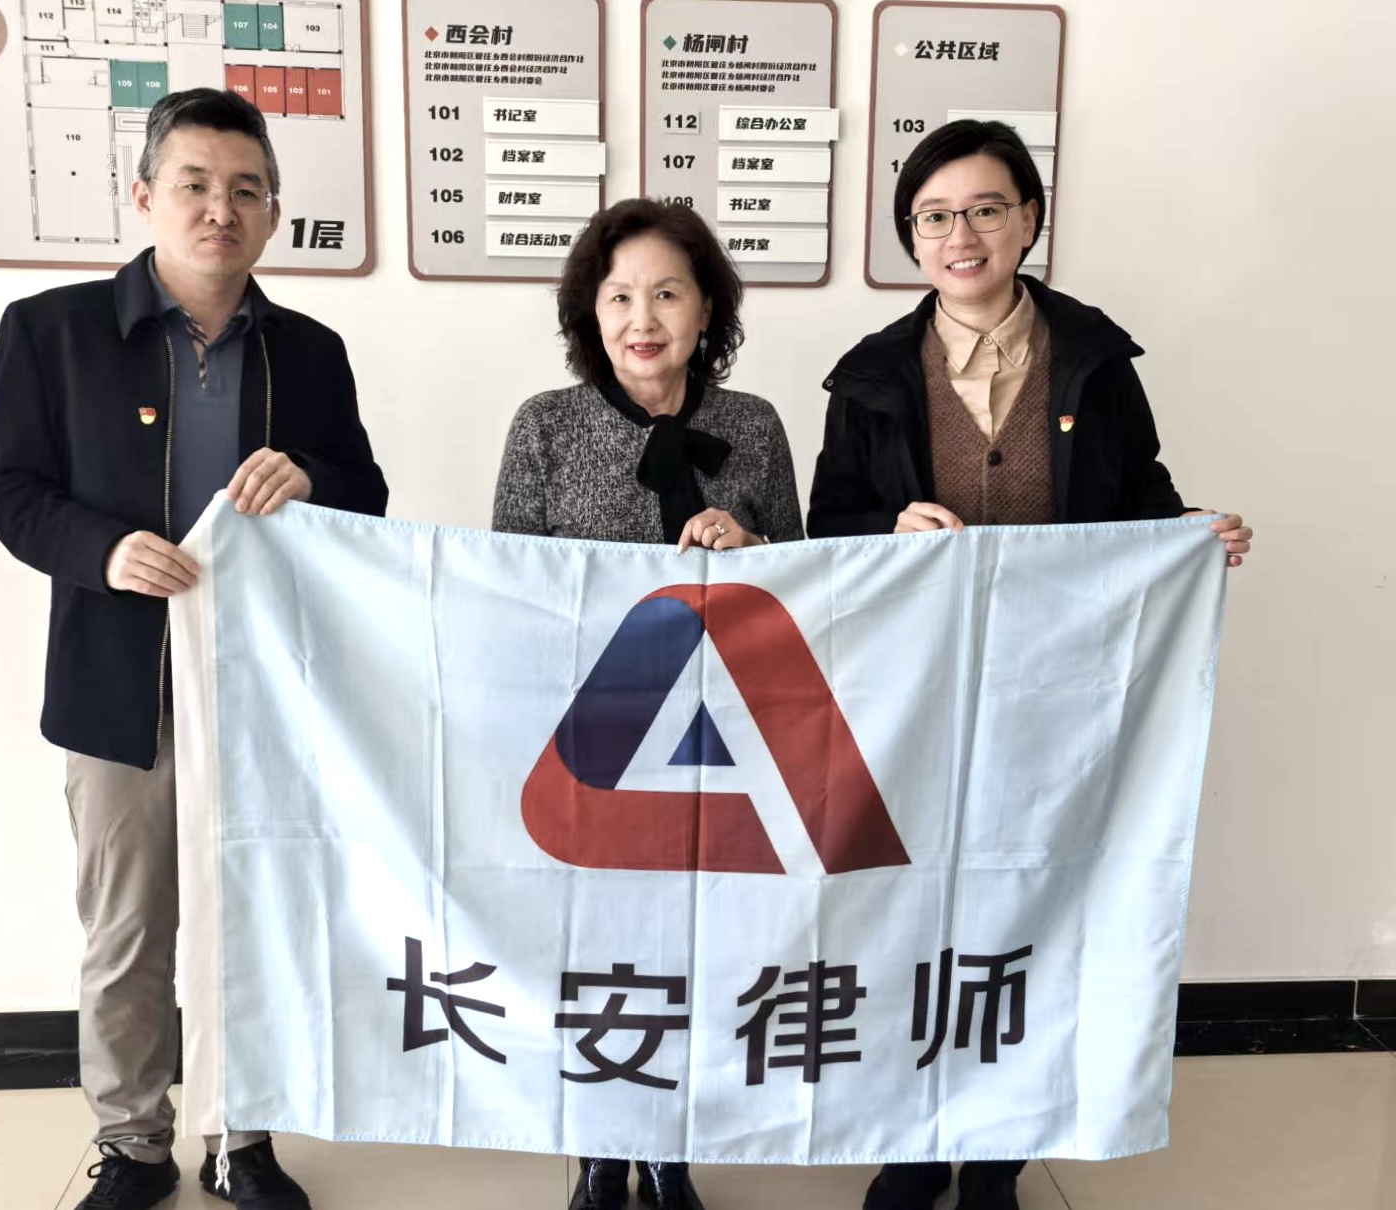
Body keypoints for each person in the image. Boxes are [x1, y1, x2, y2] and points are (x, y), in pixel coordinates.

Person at [807, 120, 1252, 1210]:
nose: (960, 235)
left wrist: (1189, 534)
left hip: (1061, 690)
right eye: (934, 217)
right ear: (911, 238)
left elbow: (1138, 497)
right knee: (913, 915)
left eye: (985, 210)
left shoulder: (1095, 361)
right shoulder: (870, 377)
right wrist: (887, 531)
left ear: (1029, 221)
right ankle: (916, 1144)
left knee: (1033, 908)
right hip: (914, 696)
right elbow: (828, 530)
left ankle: (1001, 1150)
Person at [0, 88, 387, 1210]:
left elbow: (366, 494)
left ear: (274, 213)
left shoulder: (309, 352)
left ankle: (244, 1138)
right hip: (119, 690)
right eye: (195, 184)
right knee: (129, 928)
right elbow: (5, 488)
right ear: (144, 193)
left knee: (255, 922)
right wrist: (102, 552)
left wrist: (314, 479)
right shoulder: (52, 332)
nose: (220, 209)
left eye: (246, 190)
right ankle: (134, 1143)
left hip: (264, 689)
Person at [493, 197, 804, 1210]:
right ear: (590, 312)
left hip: (717, 740)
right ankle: (599, 1149)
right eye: (620, 295)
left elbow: (806, 588)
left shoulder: (753, 426)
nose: (643, 317)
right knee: (594, 949)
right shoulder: (544, 425)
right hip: (587, 737)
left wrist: (752, 551)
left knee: (696, 947)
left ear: (707, 308)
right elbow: (507, 590)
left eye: (667, 293)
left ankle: (670, 1149)